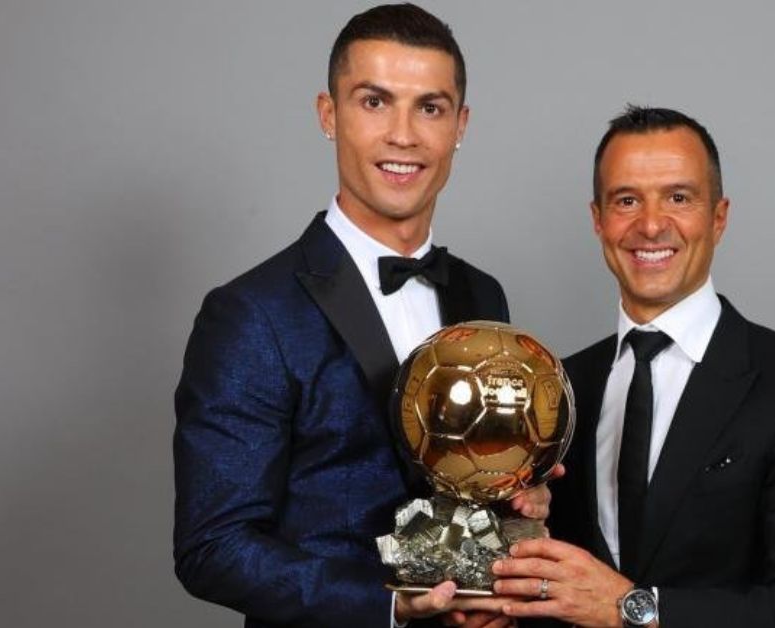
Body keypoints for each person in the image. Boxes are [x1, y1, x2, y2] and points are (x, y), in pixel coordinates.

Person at [173, 5, 544, 627]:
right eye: (375, 102)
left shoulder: (484, 297)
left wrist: (515, 509)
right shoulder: (249, 314)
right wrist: (390, 605)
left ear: (460, 125)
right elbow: (213, 546)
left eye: (430, 107)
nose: (404, 135)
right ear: (329, 114)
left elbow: (465, 499)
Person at [481, 107, 775, 627]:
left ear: (719, 216)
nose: (652, 224)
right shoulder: (558, 387)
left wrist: (629, 610)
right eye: (626, 200)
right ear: (598, 220)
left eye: (678, 197)